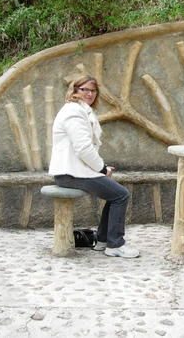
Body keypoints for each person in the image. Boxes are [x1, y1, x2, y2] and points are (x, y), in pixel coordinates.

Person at [48, 75, 140, 258]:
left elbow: (84, 149)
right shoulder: (73, 112)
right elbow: (83, 148)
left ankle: (104, 241)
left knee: (116, 194)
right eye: (84, 90)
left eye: (93, 90)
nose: (90, 94)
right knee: (121, 195)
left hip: (75, 171)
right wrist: (102, 169)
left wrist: (102, 167)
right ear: (75, 91)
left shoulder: (81, 111)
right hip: (71, 173)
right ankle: (115, 244)